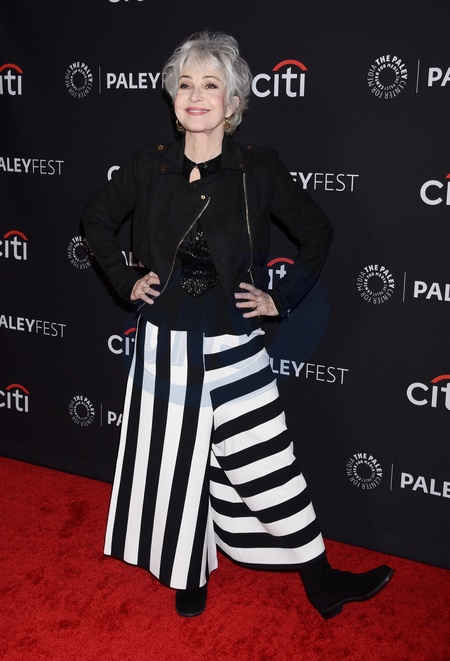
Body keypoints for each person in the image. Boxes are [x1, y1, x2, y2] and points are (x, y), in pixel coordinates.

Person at [83, 30, 393, 619]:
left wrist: (282, 298)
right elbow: (96, 218)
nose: (196, 96)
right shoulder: (148, 166)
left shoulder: (259, 168)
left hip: (233, 342)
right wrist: (127, 282)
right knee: (177, 462)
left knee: (266, 456)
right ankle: (188, 571)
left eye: (211, 85)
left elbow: (318, 232)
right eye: (185, 85)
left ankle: (321, 580)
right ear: (173, 99)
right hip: (165, 343)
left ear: (232, 102)